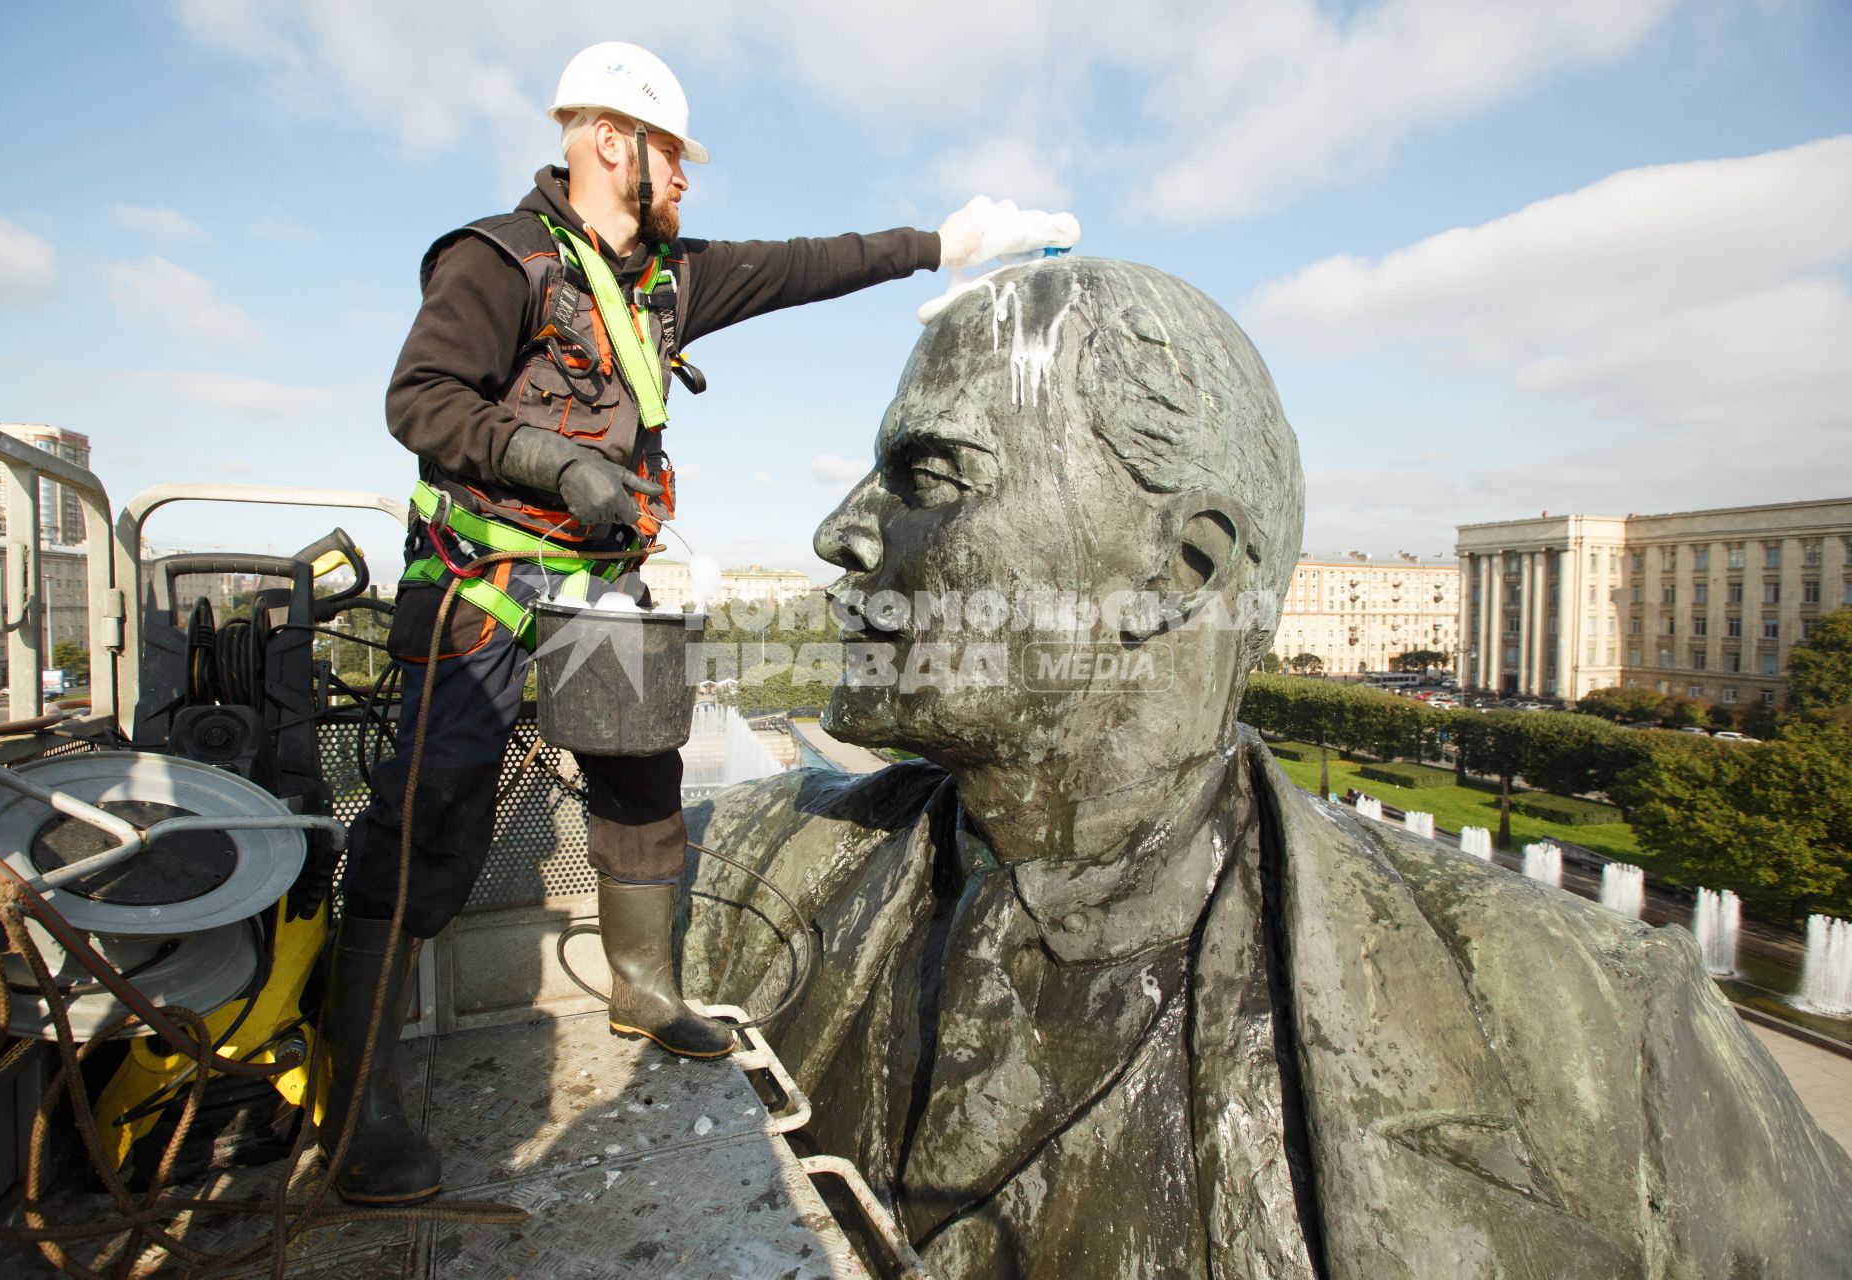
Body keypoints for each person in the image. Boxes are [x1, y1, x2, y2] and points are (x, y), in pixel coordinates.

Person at [680, 256, 1852, 1277]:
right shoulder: (743, 867)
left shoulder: (1611, 1042)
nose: (838, 528)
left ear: (1181, 568)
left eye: (932, 475)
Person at [323, 40, 1079, 1206]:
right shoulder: (499, 261)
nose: (687, 177)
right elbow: (419, 400)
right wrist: (549, 460)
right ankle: (359, 1100)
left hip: (599, 574)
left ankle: (644, 985)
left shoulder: (667, 277)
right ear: (611, 143)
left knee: (639, 770)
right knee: (436, 806)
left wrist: (943, 244)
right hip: (478, 573)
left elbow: (802, 266)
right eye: (674, 153)